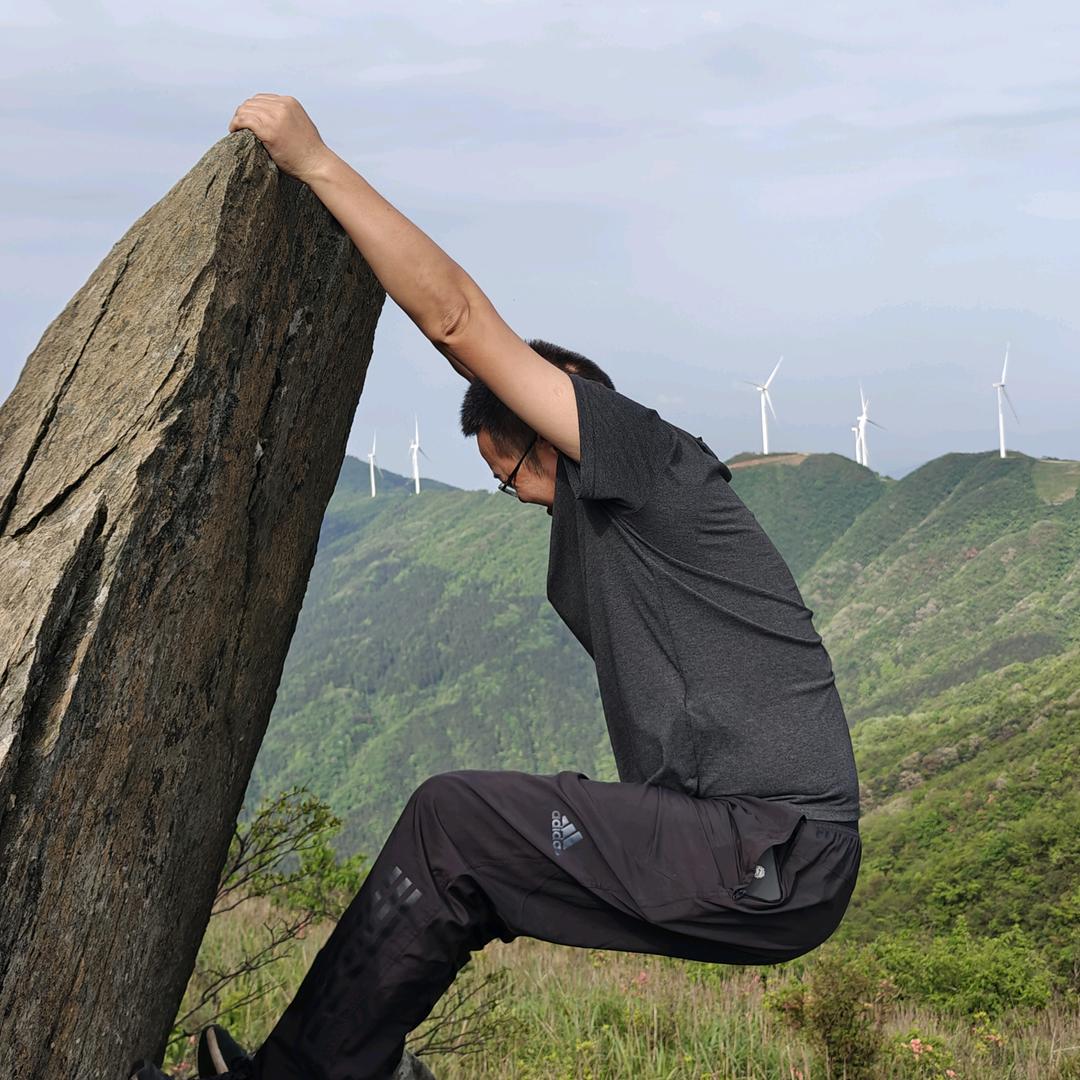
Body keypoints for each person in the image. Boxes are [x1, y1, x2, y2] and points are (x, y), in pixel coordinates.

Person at [132, 94, 860, 1080]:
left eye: (507, 468)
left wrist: (316, 163)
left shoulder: (645, 457)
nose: (513, 496)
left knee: (454, 818)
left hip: (774, 849)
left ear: (556, 409)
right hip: (752, 854)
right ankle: (363, 1063)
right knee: (467, 866)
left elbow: (456, 318)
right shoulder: (609, 534)